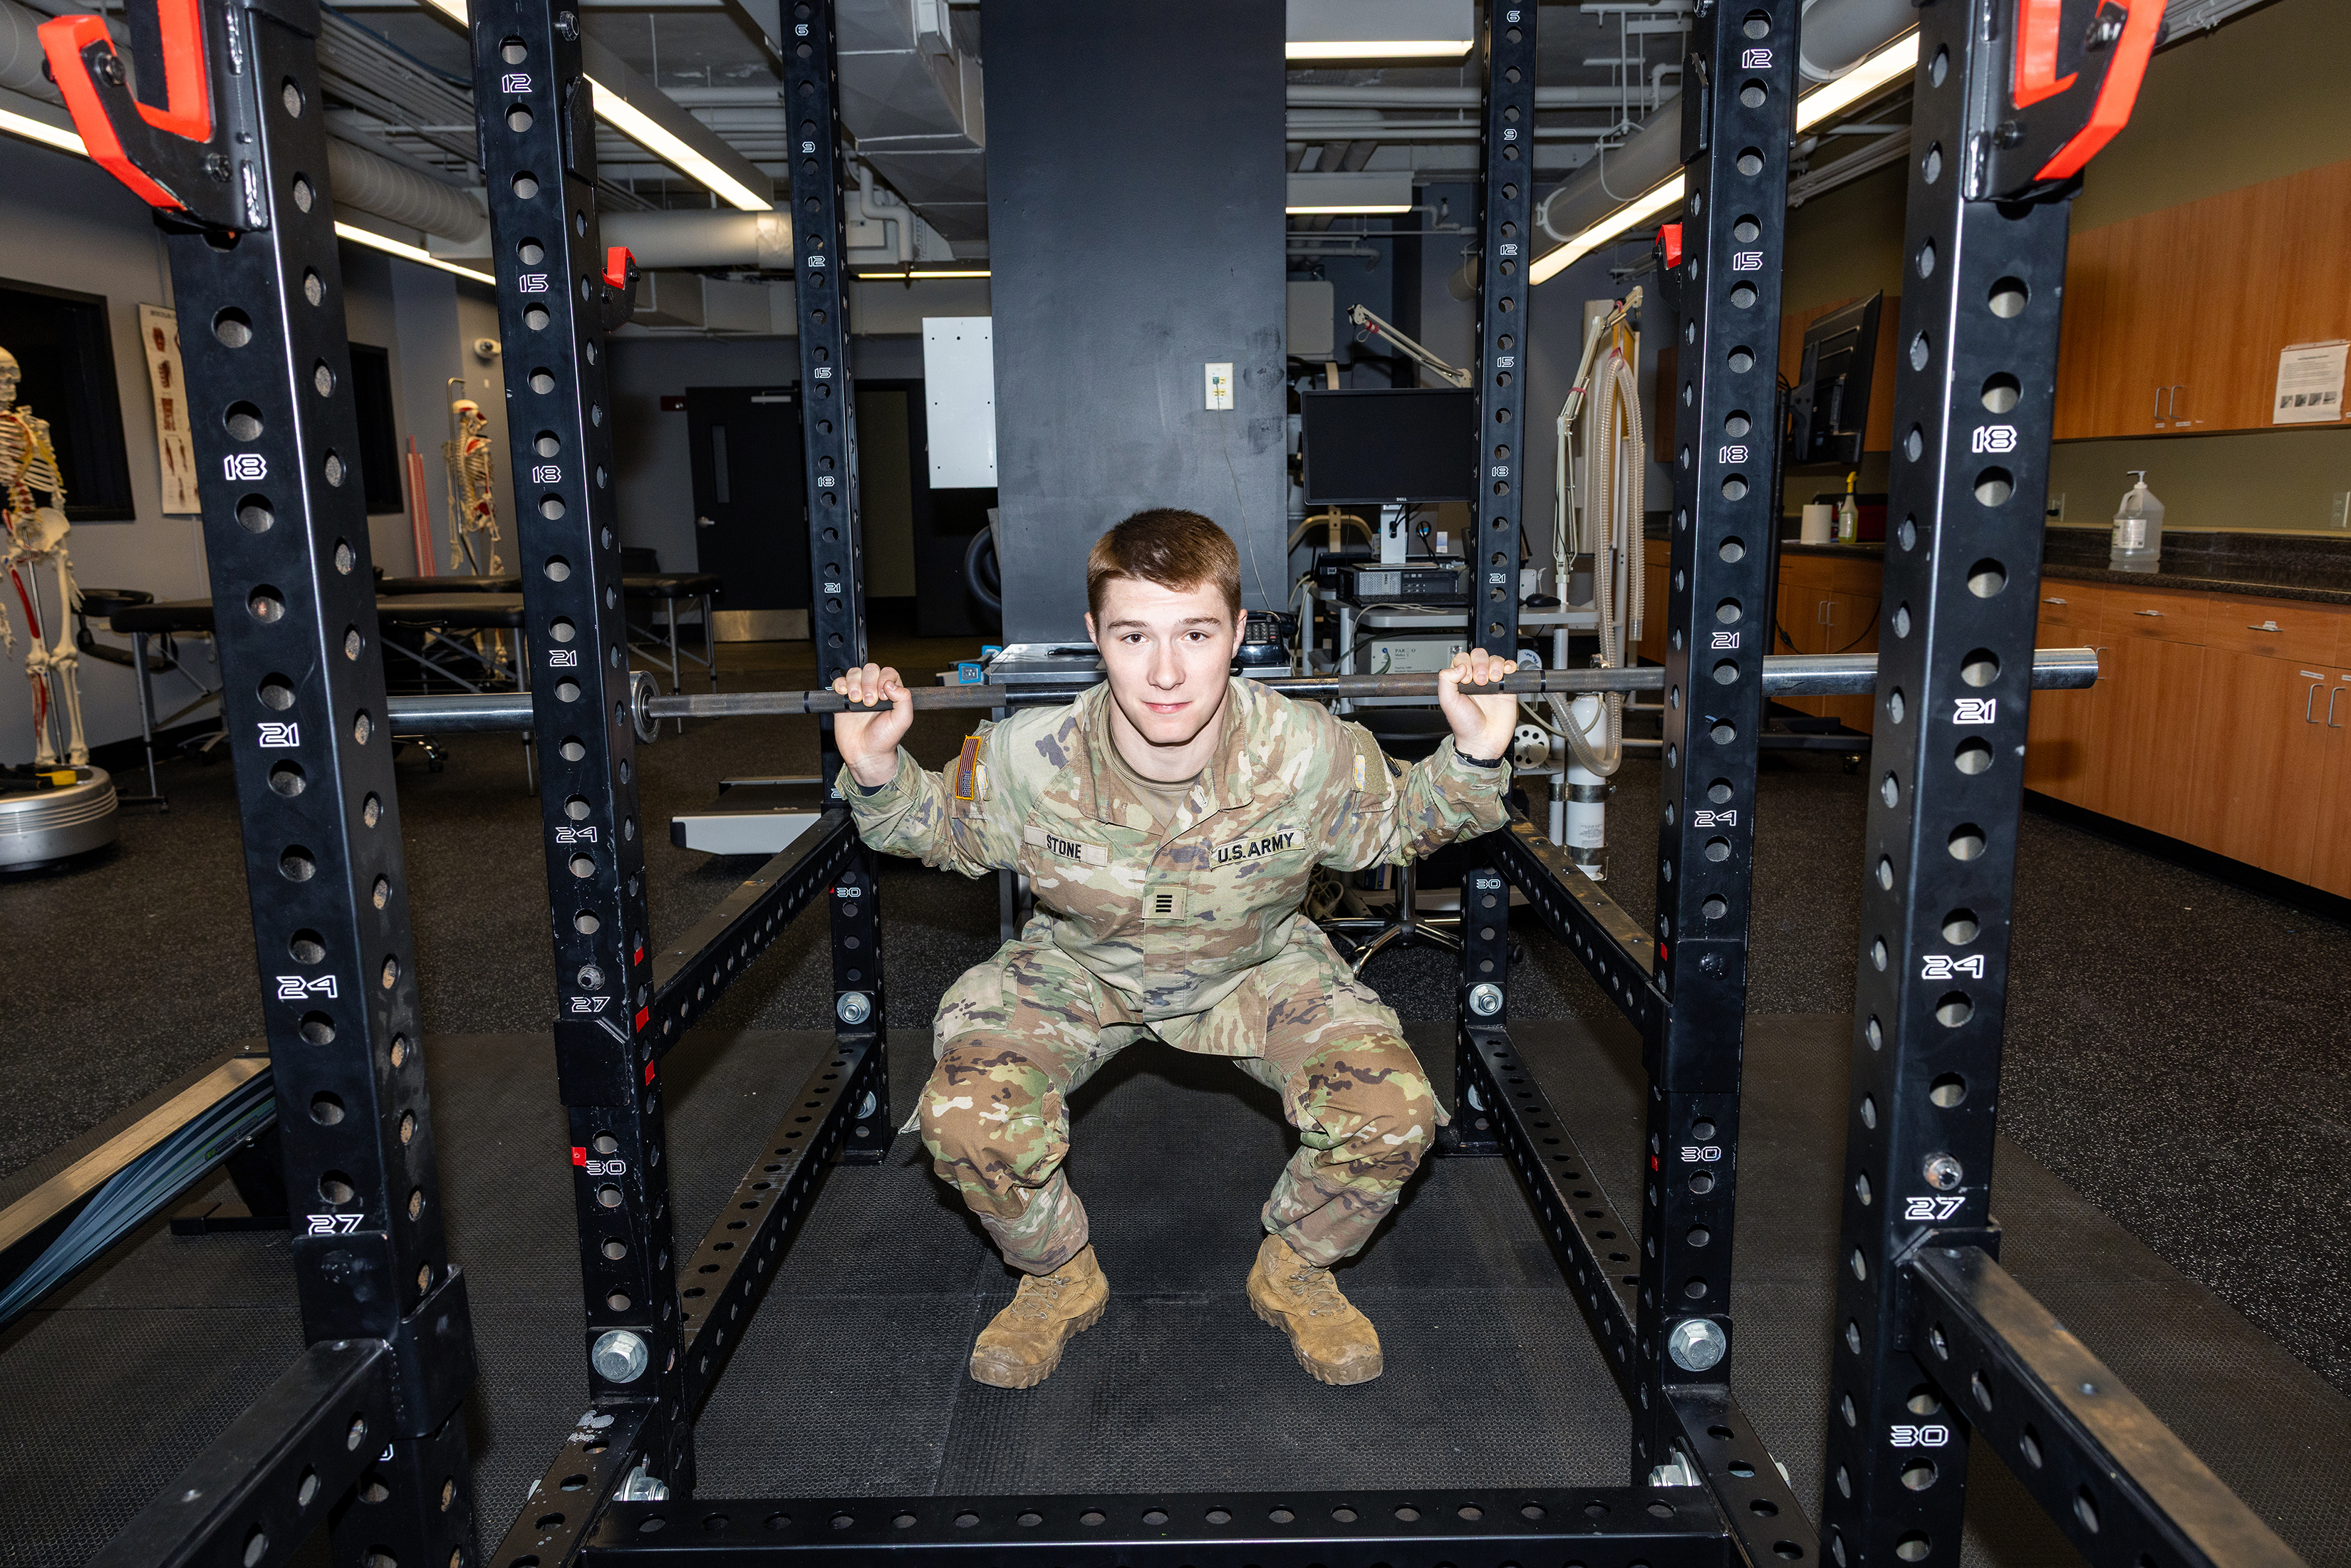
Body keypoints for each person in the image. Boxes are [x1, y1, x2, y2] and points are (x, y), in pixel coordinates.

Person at [831, 509, 1516, 1390]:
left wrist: (1474, 750)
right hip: (1082, 965)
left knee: (1390, 1109)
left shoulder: (1302, 749)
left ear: (1236, 632)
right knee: (965, 1115)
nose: (1164, 672)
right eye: (1133, 635)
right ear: (1094, 637)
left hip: (1254, 964)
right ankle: (1056, 1277)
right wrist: (881, 770)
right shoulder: (1026, 755)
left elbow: (1401, 823)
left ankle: (1298, 1267)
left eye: (1194, 633)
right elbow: (941, 831)